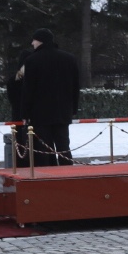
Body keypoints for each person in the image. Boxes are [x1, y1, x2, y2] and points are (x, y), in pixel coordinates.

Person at [19, 28, 80, 167]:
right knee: (64, 146)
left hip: (40, 113)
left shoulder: (32, 60)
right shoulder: (69, 59)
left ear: (40, 40)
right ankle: (68, 175)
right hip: (63, 111)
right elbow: (75, 87)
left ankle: (46, 177)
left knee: (43, 149)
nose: (32, 43)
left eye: (34, 40)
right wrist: (73, 109)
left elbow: (28, 89)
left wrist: (25, 113)